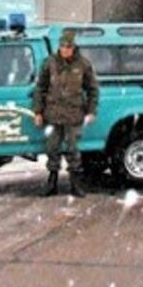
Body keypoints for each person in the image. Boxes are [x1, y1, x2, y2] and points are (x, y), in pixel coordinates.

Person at [33, 30, 99, 197]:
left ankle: (75, 184)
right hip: (53, 114)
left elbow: (92, 89)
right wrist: (38, 111)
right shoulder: (50, 63)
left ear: (73, 47)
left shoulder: (83, 64)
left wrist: (91, 111)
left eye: (68, 47)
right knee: (52, 149)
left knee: (73, 151)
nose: (65, 50)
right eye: (62, 46)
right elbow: (40, 88)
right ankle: (52, 182)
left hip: (73, 114)